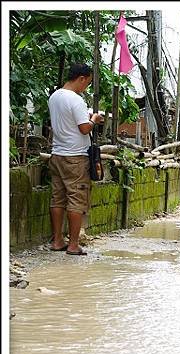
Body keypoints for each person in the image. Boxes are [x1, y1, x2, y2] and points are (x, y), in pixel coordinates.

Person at [48, 63, 103, 256]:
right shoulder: (76, 100)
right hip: (75, 157)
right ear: (81, 78)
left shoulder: (54, 97)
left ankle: (57, 240)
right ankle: (73, 244)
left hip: (57, 154)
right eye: (86, 83)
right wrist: (94, 120)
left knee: (57, 198)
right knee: (76, 200)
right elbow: (84, 128)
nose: (85, 87)